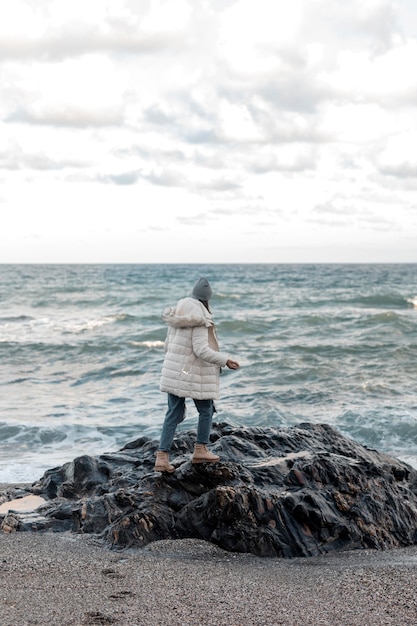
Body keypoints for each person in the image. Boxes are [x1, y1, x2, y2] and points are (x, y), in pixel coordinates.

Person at [155, 277, 239, 473]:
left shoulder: (178, 313)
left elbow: (167, 345)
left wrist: (180, 366)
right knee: (206, 409)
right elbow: (201, 350)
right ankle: (200, 449)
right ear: (206, 300)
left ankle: (161, 457)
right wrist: (225, 359)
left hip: (177, 370)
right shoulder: (200, 320)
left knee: (173, 412)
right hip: (189, 371)